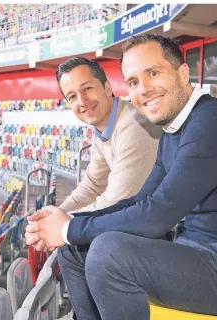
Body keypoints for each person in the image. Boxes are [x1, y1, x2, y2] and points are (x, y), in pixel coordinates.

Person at [26, 34, 217, 320]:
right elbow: (140, 201)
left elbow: (157, 216)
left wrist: (69, 228)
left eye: (153, 73)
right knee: (73, 248)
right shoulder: (175, 128)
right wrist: (70, 222)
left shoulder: (214, 121)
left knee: (107, 252)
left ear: (183, 73)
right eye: (133, 82)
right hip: (197, 251)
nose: (143, 89)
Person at [55, 57, 161, 214]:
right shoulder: (102, 127)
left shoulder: (134, 126)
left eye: (87, 89)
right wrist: (56, 213)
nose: (82, 101)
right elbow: (93, 185)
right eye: (72, 96)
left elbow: (116, 202)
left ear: (107, 88)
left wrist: (60, 224)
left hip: (173, 229)